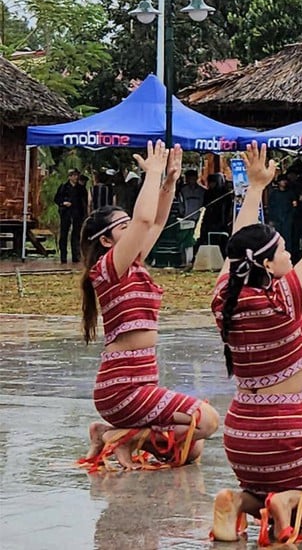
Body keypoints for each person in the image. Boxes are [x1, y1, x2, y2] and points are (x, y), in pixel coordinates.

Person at [210, 136, 302, 545]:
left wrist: (254, 187)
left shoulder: (224, 298)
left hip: (240, 438)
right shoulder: (283, 299)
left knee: (264, 485)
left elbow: (237, 244)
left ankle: (240, 502)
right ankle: (289, 501)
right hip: (283, 433)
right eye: (282, 250)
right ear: (267, 265)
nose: (290, 252)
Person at [76, 142, 220, 472]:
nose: (133, 229)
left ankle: (112, 433)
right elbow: (143, 221)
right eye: (122, 227)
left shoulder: (134, 261)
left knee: (192, 447)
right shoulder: (109, 269)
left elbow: (153, 223)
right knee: (208, 421)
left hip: (144, 382)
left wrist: (168, 182)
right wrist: (151, 174)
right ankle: (123, 436)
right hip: (121, 388)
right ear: (106, 241)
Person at [56, 168, 88, 263]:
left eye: (76, 175)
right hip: (66, 213)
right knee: (64, 234)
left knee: (76, 235)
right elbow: (57, 199)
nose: (75, 177)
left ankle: (76, 255)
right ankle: (63, 256)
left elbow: (84, 201)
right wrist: (63, 203)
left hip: (77, 213)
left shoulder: (81, 188)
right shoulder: (63, 187)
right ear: (69, 177)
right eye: (73, 175)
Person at [197, 173, 233, 254]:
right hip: (209, 220)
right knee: (206, 237)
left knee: (221, 240)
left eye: (213, 182)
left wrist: (225, 220)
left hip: (222, 220)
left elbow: (228, 208)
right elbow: (205, 205)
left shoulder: (225, 193)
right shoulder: (208, 193)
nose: (210, 184)